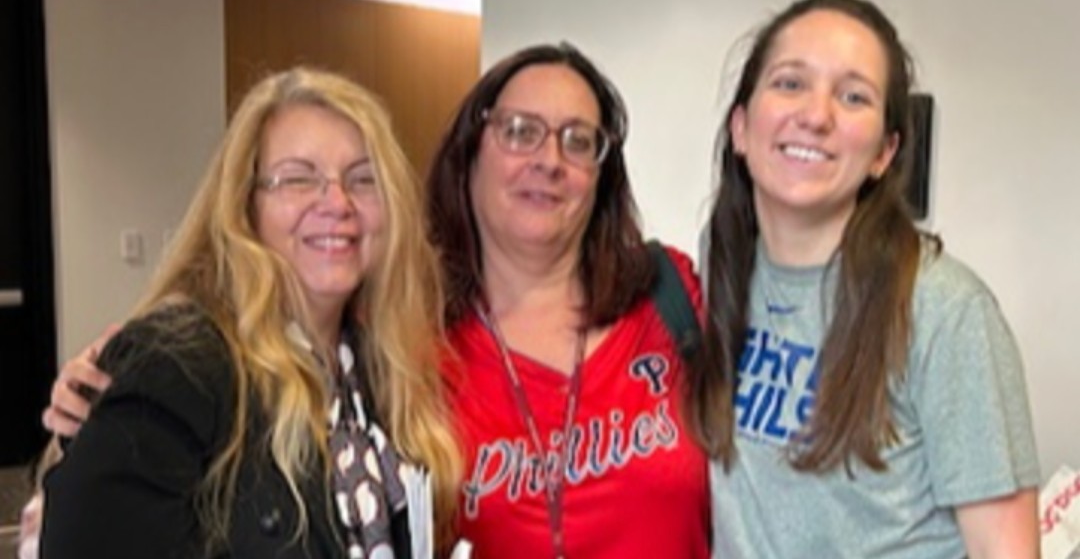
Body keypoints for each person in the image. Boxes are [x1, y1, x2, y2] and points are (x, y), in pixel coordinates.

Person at [37, 67, 461, 558]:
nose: (338, 202)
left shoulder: (374, 373)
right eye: (299, 179)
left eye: (363, 180)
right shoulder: (182, 363)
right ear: (245, 205)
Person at [688, 0, 1041, 558]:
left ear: (884, 152)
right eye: (789, 83)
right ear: (740, 128)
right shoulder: (724, 266)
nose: (816, 115)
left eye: (854, 96)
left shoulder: (945, 309)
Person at [426, 43, 709, 558]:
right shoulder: (415, 345)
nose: (550, 161)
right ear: (470, 150)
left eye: (579, 142)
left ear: (601, 178)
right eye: (520, 132)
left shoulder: (672, 295)